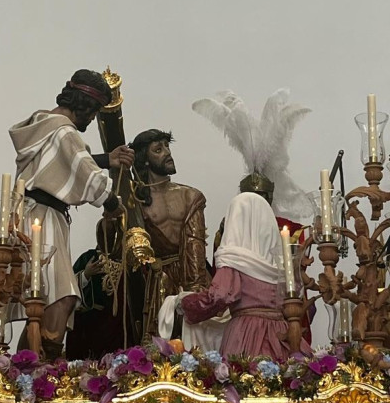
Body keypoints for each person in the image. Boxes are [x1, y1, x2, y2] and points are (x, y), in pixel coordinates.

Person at [9, 69, 134, 359]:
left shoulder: (45, 126)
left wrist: (106, 159)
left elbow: (60, 163)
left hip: (31, 216)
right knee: (61, 297)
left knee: (40, 306)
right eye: (92, 113)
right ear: (83, 103)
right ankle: (42, 369)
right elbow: (85, 172)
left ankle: (23, 369)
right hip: (43, 218)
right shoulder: (64, 130)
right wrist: (112, 203)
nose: (91, 120)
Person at [181, 192, 308, 359]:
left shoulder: (234, 259)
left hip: (247, 335)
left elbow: (219, 296)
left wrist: (184, 303)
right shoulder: (284, 266)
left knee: (244, 379)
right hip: (283, 336)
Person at [129, 129, 210, 335]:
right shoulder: (135, 200)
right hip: (157, 278)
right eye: (158, 149)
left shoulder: (190, 196)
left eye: (167, 146)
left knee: (195, 337)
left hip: (191, 273)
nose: (167, 152)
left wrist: (195, 292)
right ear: (145, 160)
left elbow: (195, 245)